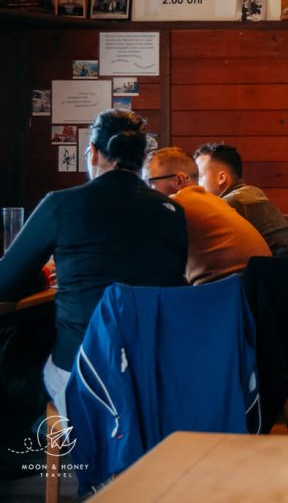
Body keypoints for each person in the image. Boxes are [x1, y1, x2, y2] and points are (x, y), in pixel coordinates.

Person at [0, 109, 188, 416]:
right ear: (141, 161)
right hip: (153, 370)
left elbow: (4, 283)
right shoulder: (173, 212)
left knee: (15, 350)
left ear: (94, 154)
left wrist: (40, 277)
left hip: (82, 372)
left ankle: (38, 443)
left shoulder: (60, 205)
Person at [145, 147, 271, 285]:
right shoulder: (211, 200)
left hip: (229, 294)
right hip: (256, 290)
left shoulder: (178, 203)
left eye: (150, 183)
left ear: (179, 180)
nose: (146, 191)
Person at [193, 142, 288, 252]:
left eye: (199, 177)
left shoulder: (233, 203)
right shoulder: (249, 193)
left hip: (269, 267)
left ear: (221, 178)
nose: (195, 184)